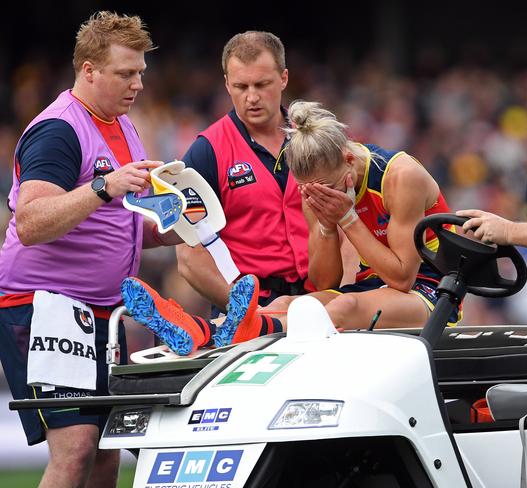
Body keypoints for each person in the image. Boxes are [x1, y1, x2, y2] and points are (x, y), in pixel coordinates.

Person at [0, 12, 182, 488]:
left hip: (104, 310)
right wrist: (105, 185)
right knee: (77, 446)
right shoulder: (59, 129)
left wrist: (186, 221)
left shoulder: (122, 125)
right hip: (46, 306)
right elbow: (33, 221)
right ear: (88, 71)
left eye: (141, 71)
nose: (138, 83)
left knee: (106, 452)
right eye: (126, 73)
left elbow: (119, 224)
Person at [122, 99, 462, 347]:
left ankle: (232, 330)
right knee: (285, 305)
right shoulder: (315, 184)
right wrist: (327, 228)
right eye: (308, 191)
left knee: (342, 306)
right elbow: (323, 280)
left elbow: (402, 277)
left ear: (348, 158)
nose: (317, 197)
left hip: (431, 288)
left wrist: (347, 217)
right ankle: (198, 329)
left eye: (325, 189)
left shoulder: (400, 177)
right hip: (373, 286)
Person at [174, 31, 357, 315]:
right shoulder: (207, 152)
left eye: (262, 84)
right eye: (241, 86)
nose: (252, 97)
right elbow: (188, 256)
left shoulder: (318, 139)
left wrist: (343, 297)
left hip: (318, 303)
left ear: (284, 78)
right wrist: (247, 312)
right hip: (247, 306)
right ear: (226, 84)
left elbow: (352, 224)